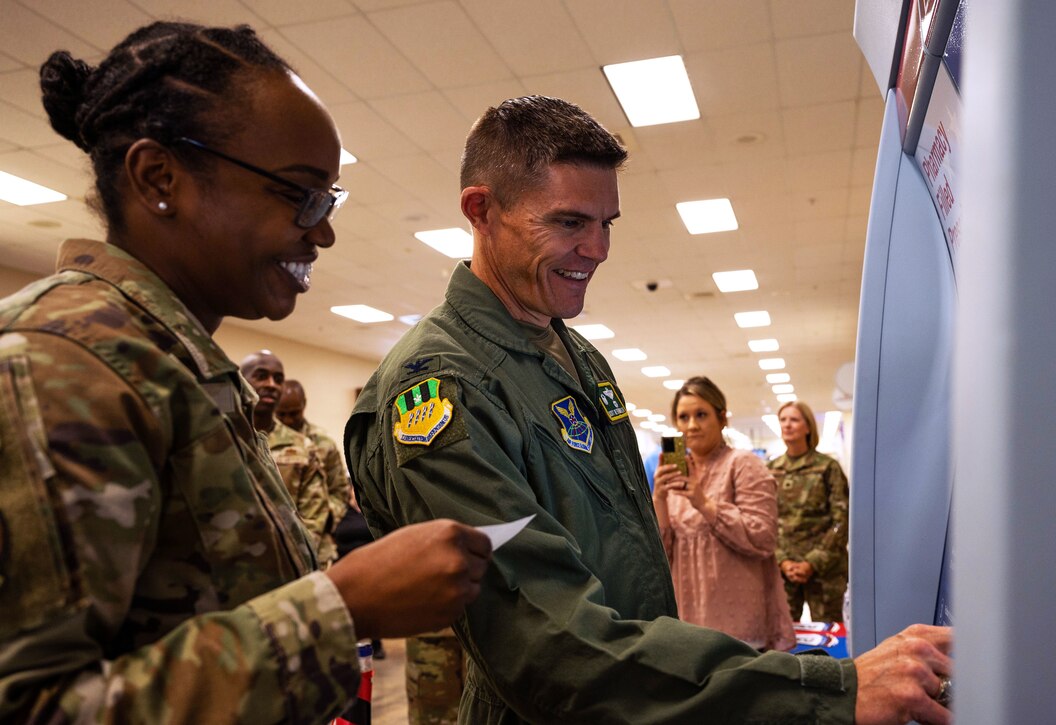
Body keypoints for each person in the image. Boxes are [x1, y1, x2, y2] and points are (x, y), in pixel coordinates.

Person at [346, 95, 951, 724]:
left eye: (607, 223)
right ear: (481, 211)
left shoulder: (576, 355)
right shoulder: (442, 390)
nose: (599, 249)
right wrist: (829, 692)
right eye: (570, 223)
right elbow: (549, 651)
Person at [0, 21, 491, 724]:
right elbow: (35, 707)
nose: (321, 231)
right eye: (299, 193)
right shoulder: (60, 361)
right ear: (158, 178)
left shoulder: (176, 363)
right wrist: (342, 606)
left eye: (328, 200)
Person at [652, 376, 795, 651]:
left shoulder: (744, 465)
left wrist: (703, 502)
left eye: (701, 415)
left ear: (722, 418)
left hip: (740, 626)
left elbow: (763, 537)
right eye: (683, 417)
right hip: (690, 622)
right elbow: (661, 554)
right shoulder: (675, 476)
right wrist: (658, 498)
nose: (692, 425)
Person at [241, 350, 336, 567]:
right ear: (242, 380)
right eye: (261, 375)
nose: (272, 384)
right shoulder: (221, 437)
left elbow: (313, 519)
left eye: (278, 379)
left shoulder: (303, 447)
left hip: (295, 563)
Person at [769, 400, 851, 622]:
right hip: (784, 571)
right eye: (783, 420)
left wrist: (812, 562)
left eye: (794, 419)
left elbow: (842, 520)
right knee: (783, 640)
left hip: (825, 572)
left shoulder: (827, 467)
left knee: (830, 640)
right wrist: (783, 560)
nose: (787, 425)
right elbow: (765, 521)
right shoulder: (772, 469)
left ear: (808, 427)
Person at [277, 378, 357, 523]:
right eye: (281, 414)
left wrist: (325, 518)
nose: (288, 420)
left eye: (294, 413)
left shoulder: (323, 443)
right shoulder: (264, 439)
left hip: (317, 528)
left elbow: (339, 490)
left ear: (304, 405)